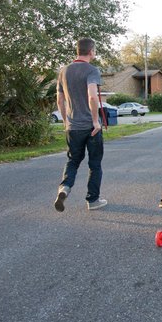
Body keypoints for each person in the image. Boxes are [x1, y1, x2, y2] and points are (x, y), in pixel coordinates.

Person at [54, 38, 107, 212]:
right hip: (90, 127)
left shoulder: (63, 71)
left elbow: (60, 100)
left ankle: (64, 188)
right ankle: (93, 200)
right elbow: (92, 96)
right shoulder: (92, 70)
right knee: (95, 164)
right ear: (91, 51)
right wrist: (94, 121)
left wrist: (65, 120)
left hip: (72, 126)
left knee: (73, 160)